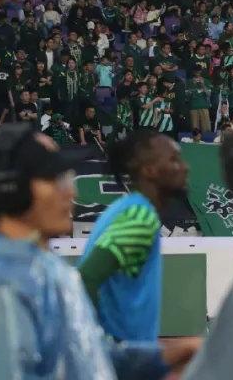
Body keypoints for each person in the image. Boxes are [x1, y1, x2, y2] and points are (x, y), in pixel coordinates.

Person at [0, 124, 198, 379]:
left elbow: (86, 357)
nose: (71, 191)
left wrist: (175, 353)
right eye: (55, 179)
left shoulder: (42, 269)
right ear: (14, 187)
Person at [78, 130, 190, 343]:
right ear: (149, 170)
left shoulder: (126, 208)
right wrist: (106, 348)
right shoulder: (140, 218)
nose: (185, 167)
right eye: (174, 160)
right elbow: (86, 279)